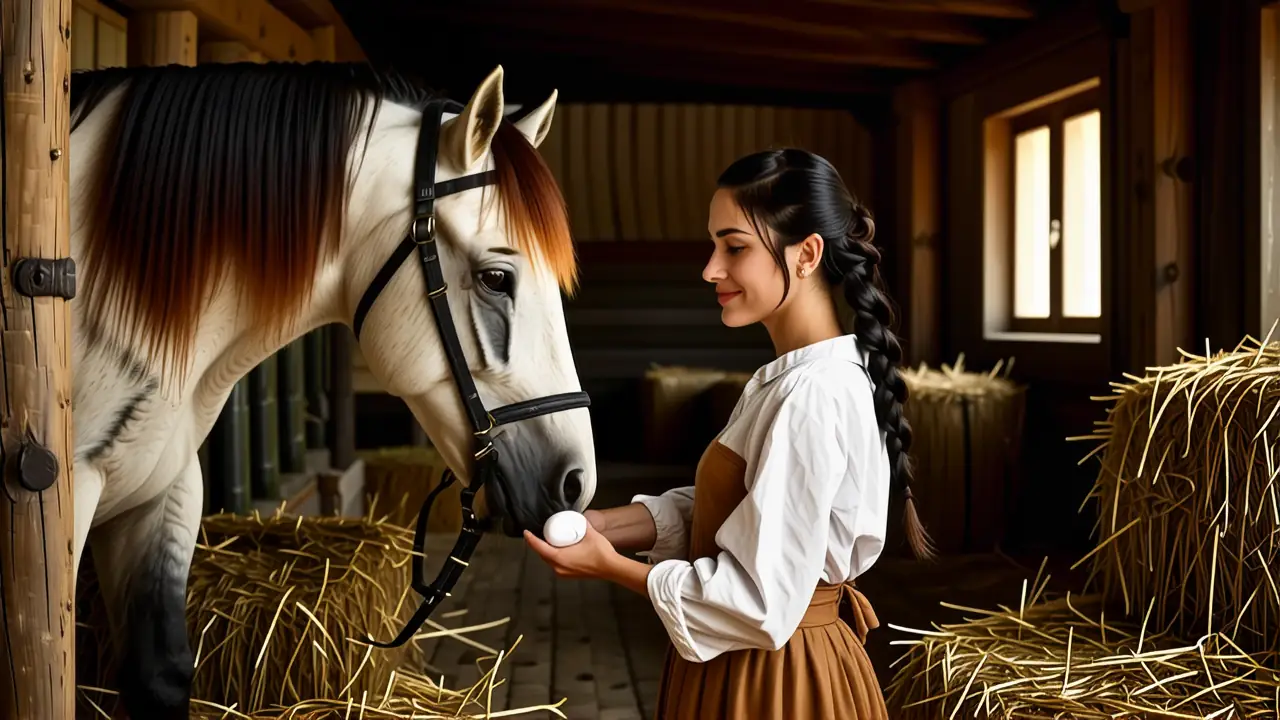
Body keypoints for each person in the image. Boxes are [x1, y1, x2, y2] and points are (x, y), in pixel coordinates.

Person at [524, 148, 934, 719]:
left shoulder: (810, 395)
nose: (710, 268)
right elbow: (750, 512)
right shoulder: (787, 382)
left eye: (734, 247)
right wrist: (612, 526)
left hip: (776, 681)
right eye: (714, 245)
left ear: (807, 254)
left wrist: (610, 568)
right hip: (753, 662)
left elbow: (759, 600)